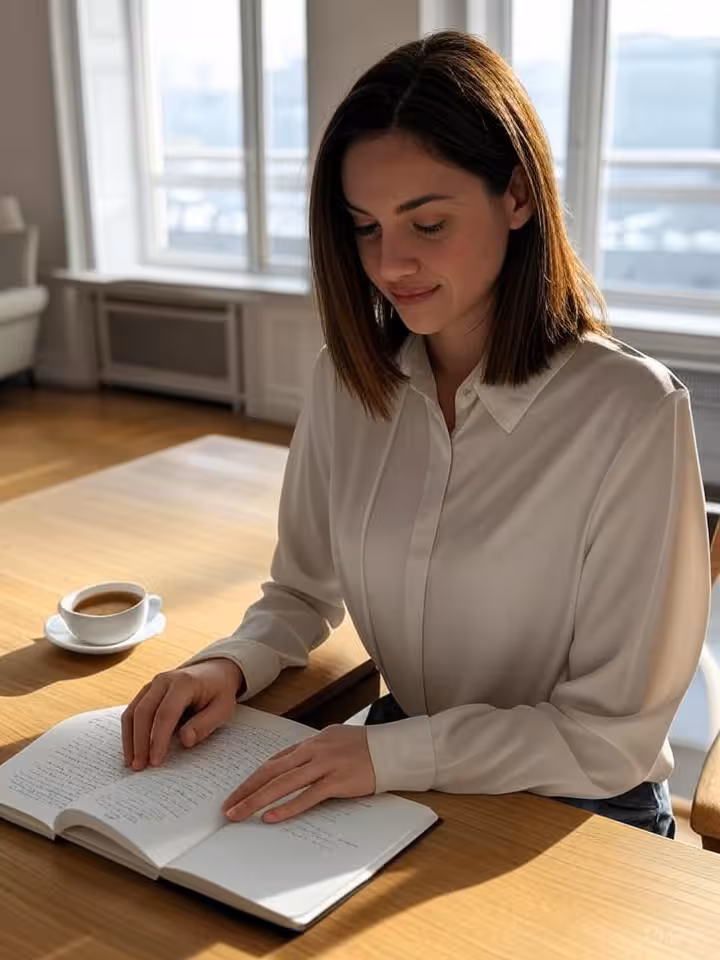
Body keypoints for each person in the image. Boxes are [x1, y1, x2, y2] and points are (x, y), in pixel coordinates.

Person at [121, 31, 711, 837]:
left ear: (517, 198)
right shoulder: (347, 380)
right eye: (364, 227)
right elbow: (300, 591)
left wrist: (387, 758)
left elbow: (609, 737)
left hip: (576, 812)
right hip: (399, 770)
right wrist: (232, 661)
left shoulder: (631, 413)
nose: (390, 263)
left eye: (427, 223)